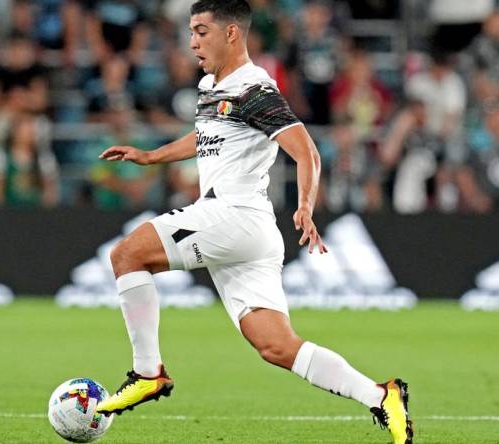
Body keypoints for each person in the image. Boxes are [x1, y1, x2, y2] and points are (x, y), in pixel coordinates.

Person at [93, 2, 413, 444]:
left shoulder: (255, 89)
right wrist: (151, 155)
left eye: (201, 31)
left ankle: (148, 373)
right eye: (190, 32)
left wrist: (305, 205)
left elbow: (307, 152)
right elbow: (205, 136)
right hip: (249, 231)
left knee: (127, 255)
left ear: (231, 34)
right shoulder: (212, 85)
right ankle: (382, 396)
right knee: (277, 346)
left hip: (233, 214)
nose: (192, 42)